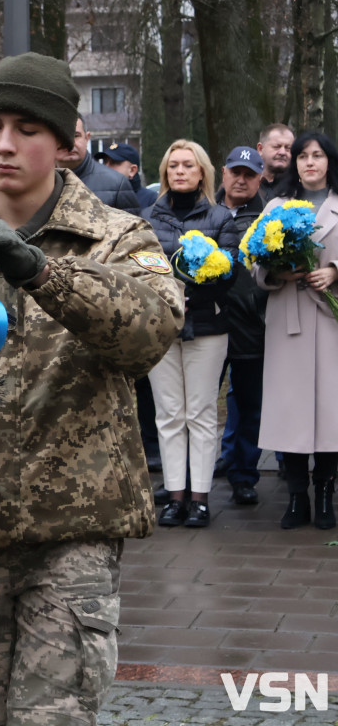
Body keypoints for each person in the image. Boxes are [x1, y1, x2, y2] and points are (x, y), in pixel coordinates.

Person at [0, 52, 182, 725]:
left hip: (73, 535)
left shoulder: (116, 235)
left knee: (51, 715)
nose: (4, 145)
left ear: (63, 143)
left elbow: (150, 332)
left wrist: (41, 272)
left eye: (27, 129)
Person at [143, 139, 233, 528]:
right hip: (161, 327)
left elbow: (228, 273)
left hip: (208, 327)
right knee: (168, 414)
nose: (180, 171)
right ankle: (175, 496)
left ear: (202, 172)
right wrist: (166, 292)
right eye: (173, 165)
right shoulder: (147, 218)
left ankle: (200, 499)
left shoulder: (221, 217)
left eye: (188, 165)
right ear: (165, 172)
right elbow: (138, 267)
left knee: (200, 412)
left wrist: (191, 292)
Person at [254, 131, 338, 529]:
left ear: (329, 161)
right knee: (290, 412)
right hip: (289, 320)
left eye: (317, 155)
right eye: (303, 156)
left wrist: (334, 271)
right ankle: (295, 497)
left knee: (330, 412)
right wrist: (279, 273)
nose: (310, 162)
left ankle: (324, 495)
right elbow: (255, 261)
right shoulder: (276, 206)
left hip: (330, 322)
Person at [216, 147, 267, 506]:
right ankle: (188, 482)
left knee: (250, 408)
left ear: (260, 179)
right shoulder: (206, 212)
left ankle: (245, 475)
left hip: (252, 327)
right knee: (200, 408)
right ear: (223, 173)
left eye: (249, 174)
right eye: (236, 172)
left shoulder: (269, 219)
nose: (241, 179)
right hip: (210, 325)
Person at [56, 118, 141, 214]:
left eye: (76, 136)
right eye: (61, 136)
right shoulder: (42, 181)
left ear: (87, 138)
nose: (69, 142)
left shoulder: (117, 184)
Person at [96, 141, 155, 209]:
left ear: (132, 170)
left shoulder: (151, 201)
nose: (106, 167)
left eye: (114, 162)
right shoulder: (97, 199)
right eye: (105, 162)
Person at [257, 123, 294, 201]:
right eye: (276, 147)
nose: (282, 152)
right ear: (260, 149)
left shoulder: (298, 188)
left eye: (288, 148)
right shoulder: (246, 184)